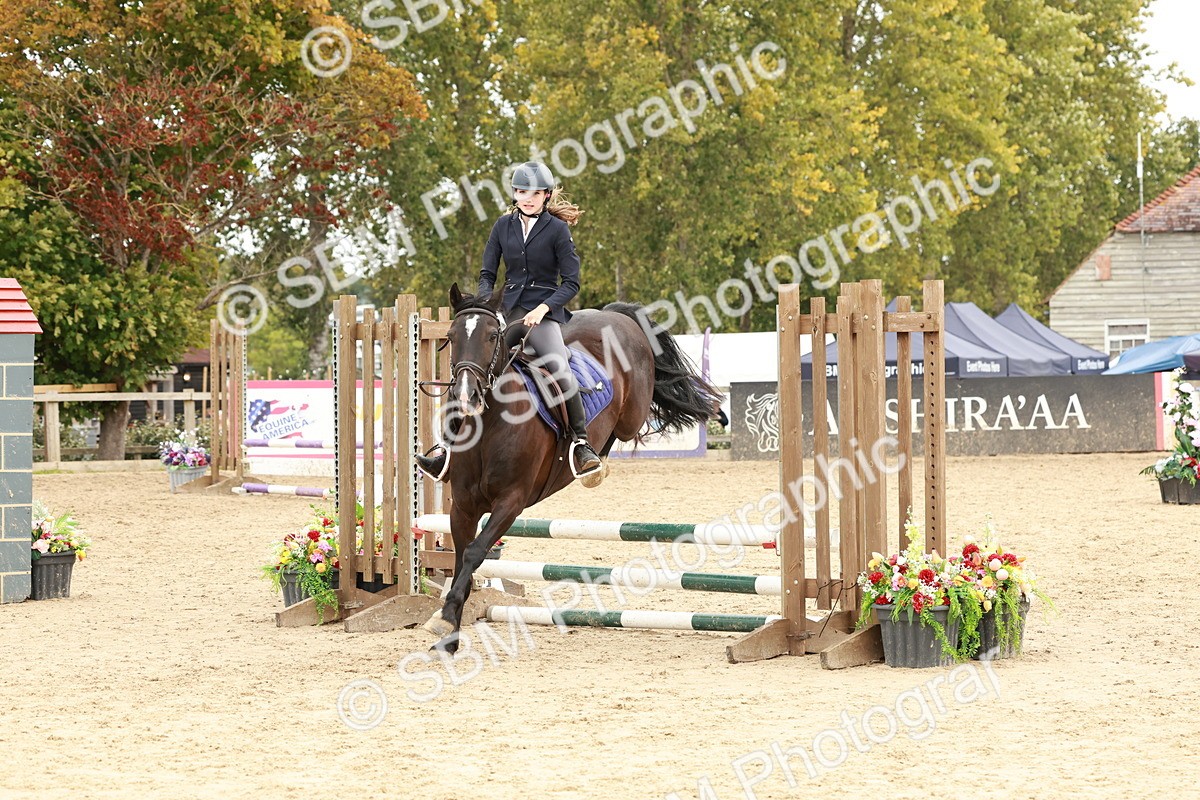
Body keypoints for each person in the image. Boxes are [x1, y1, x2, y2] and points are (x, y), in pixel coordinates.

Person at [416, 161, 603, 480]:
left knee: (559, 366)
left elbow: (571, 283)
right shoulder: (502, 227)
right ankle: (445, 450)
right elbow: (488, 273)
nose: (526, 198)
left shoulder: (558, 230)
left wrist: (544, 309)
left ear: (545, 195)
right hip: (506, 312)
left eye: (533, 193)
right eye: (520, 191)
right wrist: (489, 305)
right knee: (470, 362)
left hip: (541, 317)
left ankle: (581, 444)